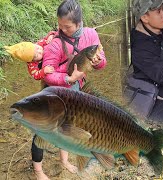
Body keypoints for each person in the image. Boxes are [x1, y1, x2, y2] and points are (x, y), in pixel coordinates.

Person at [32, 0, 107, 179]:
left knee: (67, 128)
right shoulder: (56, 43)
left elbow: (102, 60)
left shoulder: (91, 35)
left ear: (78, 23)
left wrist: (98, 62)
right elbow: (48, 75)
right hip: (54, 93)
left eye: (67, 27)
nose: (62, 29)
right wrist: (68, 78)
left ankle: (64, 161)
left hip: (76, 91)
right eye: (59, 25)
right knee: (43, 131)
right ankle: (38, 171)